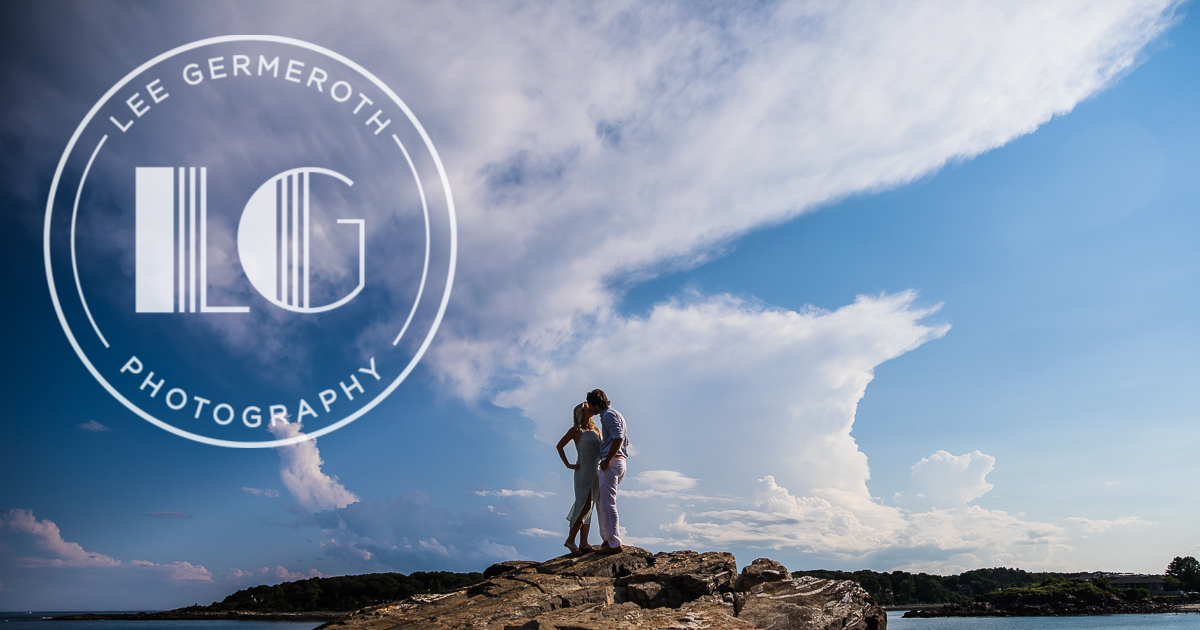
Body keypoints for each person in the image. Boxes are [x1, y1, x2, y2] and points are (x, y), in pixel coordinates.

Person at [556, 402, 600, 556]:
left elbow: (604, 448)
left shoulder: (596, 430)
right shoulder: (576, 430)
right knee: (584, 505)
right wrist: (568, 464)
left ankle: (583, 543)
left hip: (596, 471)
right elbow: (559, 446)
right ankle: (570, 540)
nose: (592, 409)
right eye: (589, 407)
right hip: (583, 472)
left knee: (590, 506)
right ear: (582, 412)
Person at [587, 388, 627, 554]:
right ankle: (608, 539)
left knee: (608, 503)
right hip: (620, 461)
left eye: (591, 406)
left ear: (596, 405)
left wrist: (608, 459)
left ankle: (614, 543)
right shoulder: (616, 414)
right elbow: (623, 438)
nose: (590, 409)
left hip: (612, 462)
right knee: (602, 501)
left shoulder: (608, 415)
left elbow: (618, 437)